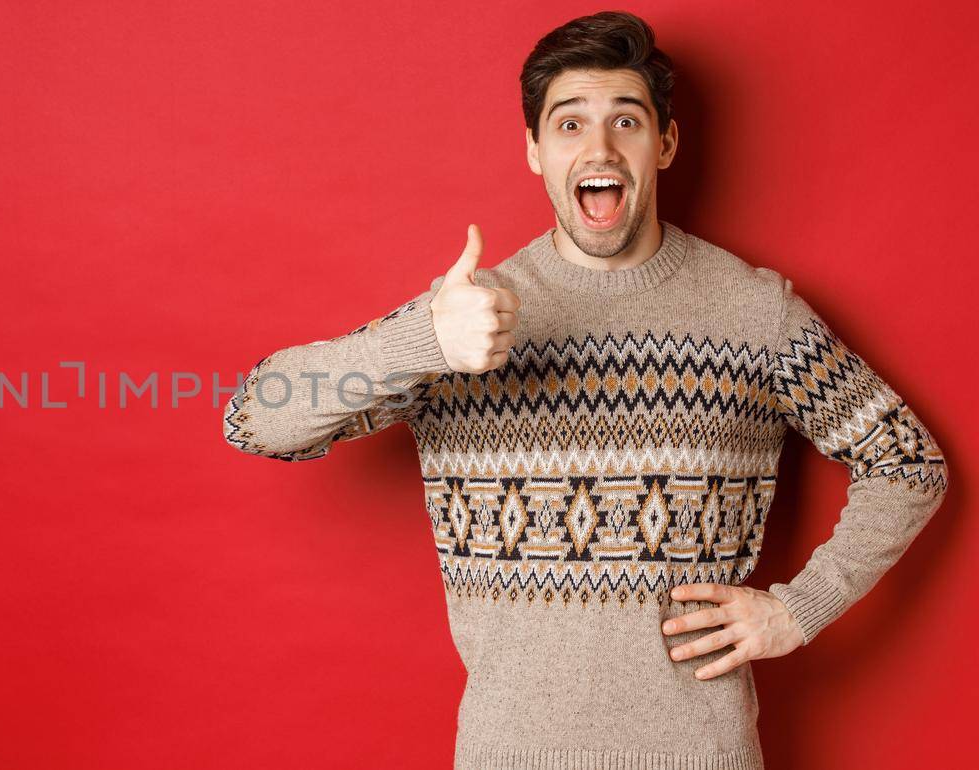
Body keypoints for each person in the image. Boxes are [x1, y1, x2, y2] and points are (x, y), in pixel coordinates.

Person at [220, 10, 948, 769]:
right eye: (568, 125)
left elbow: (907, 463)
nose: (598, 148)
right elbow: (254, 418)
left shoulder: (754, 313)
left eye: (625, 121)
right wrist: (420, 342)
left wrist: (801, 610)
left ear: (663, 143)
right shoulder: (465, 318)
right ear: (534, 151)